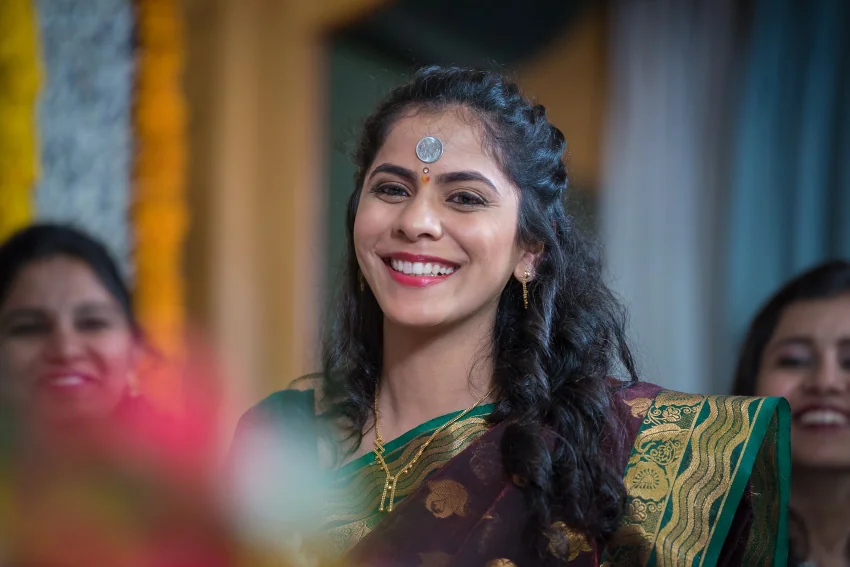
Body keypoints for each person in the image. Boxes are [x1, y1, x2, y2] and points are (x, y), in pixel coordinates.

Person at [231, 67, 790, 566]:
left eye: (466, 198)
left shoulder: (613, 449)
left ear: (529, 250)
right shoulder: (282, 436)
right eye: (392, 189)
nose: (417, 221)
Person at [0, 223, 231, 567]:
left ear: (135, 348)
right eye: (29, 327)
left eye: (93, 323)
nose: (65, 349)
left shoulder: (188, 498)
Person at [732, 260, 850, 567]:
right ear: (751, 383)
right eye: (795, 361)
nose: (825, 382)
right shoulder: (689, 544)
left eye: (849, 361)